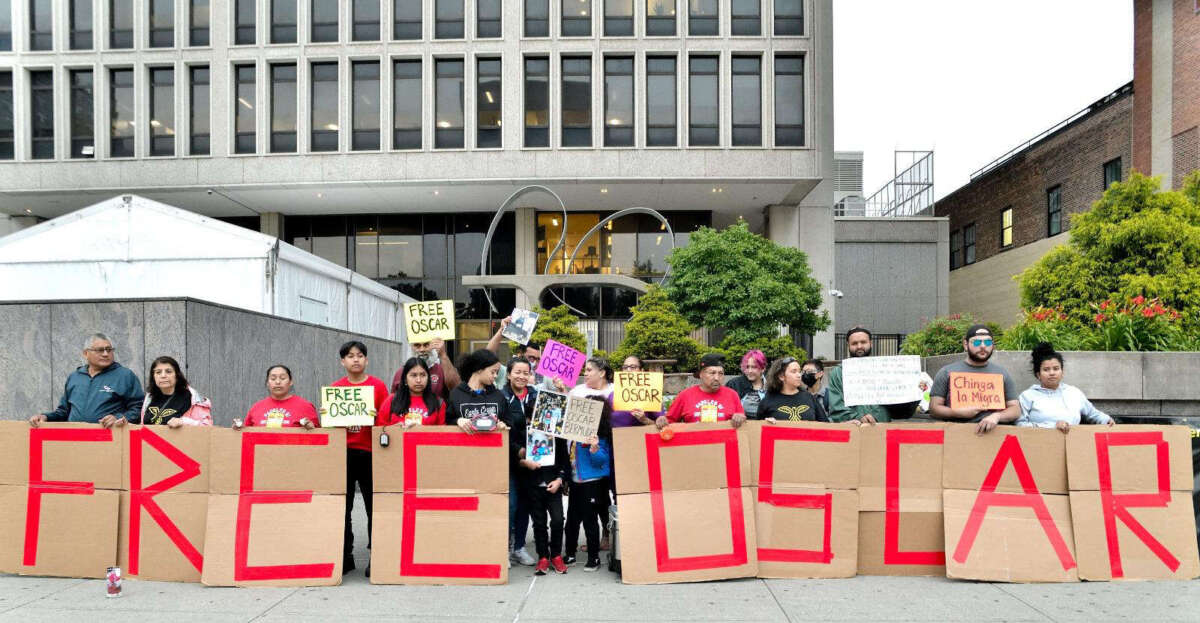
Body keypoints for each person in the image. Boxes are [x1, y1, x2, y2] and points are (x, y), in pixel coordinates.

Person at [327, 341, 388, 575]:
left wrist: (376, 417)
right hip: (344, 454)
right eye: (350, 356)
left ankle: (377, 555)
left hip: (372, 453)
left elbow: (386, 419)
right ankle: (346, 555)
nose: (355, 360)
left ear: (367, 360)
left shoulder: (378, 386)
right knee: (344, 506)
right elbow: (329, 426)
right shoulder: (335, 388)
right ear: (342, 361)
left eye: (360, 355)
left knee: (375, 507)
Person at [32, 333, 144, 428]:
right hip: (76, 441)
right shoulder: (75, 377)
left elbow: (139, 408)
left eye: (109, 350)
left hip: (109, 440)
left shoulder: (124, 375)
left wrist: (118, 418)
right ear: (86, 353)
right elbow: (63, 411)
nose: (106, 354)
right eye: (100, 350)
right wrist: (45, 417)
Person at [929, 324, 1020, 434]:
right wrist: (957, 413)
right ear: (966, 344)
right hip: (956, 434)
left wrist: (996, 416)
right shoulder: (946, 372)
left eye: (987, 342)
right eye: (977, 342)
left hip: (994, 434)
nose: (982, 346)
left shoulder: (1002, 374)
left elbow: (1015, 409)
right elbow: (934, 408)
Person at [563, 397, 613, 571]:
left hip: (593, 483)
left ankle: (594, 558)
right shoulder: (574, 432)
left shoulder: (602, 436)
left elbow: (603, 462)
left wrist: (595, 449)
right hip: (576, 482)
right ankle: (569, 554)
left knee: (590, 522)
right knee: (571, 521)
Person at [827, 327, 917, 423]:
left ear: (871, 343)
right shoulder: (838, 373)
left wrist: (914, 392)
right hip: (854, 430)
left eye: (863, 342)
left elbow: (901, 411)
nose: (859, 346)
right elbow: (837, 409)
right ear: (848, 345)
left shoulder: (886, 370)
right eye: (854, 343)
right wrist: (858, 417)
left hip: (882, 429)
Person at [1017, 342, 1114, 431]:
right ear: (1038, 375)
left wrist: (1106, 420)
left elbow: (1092, 413)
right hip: (1041, 445)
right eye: (1046, 370)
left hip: (1074, 445)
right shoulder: (1027, 396)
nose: (1052, 373)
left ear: (1062, 372)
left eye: (1056, 369)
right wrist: (1052, 426)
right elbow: (1019, 424)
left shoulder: (1074, 393)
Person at [502, 357, 538, 567]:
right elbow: (501, 431)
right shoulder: (501, 397)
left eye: (526, 373)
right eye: (517, 372)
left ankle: (519, 547)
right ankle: (504, 547)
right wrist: (518, 452)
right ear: (508, 374)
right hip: (510, 460)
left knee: (525, 504)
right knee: (511, 504)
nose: (522, 376)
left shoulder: (535, 395)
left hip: (534, 460)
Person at [522, 423, 570, 576]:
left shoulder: (558, 435)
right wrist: (524, 462)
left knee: (557, 520)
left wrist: (560, 480)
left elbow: (565, 462)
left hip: (553, 485)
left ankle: (556, 555)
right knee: (539, 523)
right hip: (533, 485)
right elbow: (515, 458)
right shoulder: (526, 434)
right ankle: (542, 556)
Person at [657, 353, 746, 429]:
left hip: (724, 446)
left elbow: (742, 423)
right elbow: (669, 421)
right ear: (701, 374)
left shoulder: (732, 395)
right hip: (694, 446)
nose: (717, 378)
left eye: (721, 373)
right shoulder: (685, 395)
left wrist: (740, 418)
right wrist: (662, 420)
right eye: (712, 373)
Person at [446, 349, 511, 433]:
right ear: (479, 369)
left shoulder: (498, 396)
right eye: (493, 372)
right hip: (466, 444)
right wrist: (458, 421)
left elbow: (509, 423)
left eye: (497, 372)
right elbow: (447, 421)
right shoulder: (456, 394)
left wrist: (503, 425)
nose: (495, 376)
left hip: (492, 444)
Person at [138, 356, 212, 426]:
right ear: (153, 377)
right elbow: (142, 426)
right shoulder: (150, 397)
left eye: (168, 371)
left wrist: (183, 422)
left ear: (177, 375)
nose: (163, 375)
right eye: (158, 372)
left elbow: (207, 426)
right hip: (151, 439)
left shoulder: (192, 398)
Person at [238, 365, 317, 429]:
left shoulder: (305, 406)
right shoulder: (256, 408)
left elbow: (320, 436)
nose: (278, 382)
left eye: (283, 378)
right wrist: (238, 429)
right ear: (267, 383)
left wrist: (311, 429)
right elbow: (245, 434)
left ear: (291, 382)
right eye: (273, 378)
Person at [378, 357, 447, 427]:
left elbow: (444, 434)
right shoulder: (391, 400)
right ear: (405, 379)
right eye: (414, 375)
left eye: (423, 375)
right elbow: (378, 431)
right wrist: (393, 429)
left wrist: (424, 430)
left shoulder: (438, 403)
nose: (419, 380)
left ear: (428, 378)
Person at [756, 357, 828, 422]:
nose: (799, 375)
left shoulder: (810, 398)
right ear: (781, 376)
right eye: (794, 371)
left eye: (799, 371)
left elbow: (825, 426)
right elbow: (756, 430)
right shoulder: (768, 400)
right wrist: (766, 422)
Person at [392, 337, 460, 401]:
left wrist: (443, 355)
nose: (422, 350)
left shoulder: (441, 369)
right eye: (417, 345)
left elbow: (457, 389)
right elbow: (394, 402)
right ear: (411, 347)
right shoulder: (401, 373)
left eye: (426, 345)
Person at [486, 316, 545, 389]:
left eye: (538, 359)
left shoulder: (543, 381)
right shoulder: (504, 372)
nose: (535, 363)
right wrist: (501, 331)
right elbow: (487, 356)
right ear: (520, 354)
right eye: (531, 358)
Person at [613, 355, 657, 427]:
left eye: (633, 367)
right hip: (615, 437)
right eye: (625, 367)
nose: (628, 370)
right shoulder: (613, 393)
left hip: (640, 436)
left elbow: (661, 426)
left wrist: (645, 420)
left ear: (642, 370)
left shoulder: (650, 394)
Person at [726, 350, 767, 419]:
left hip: (764, 426)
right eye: (747, 367)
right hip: (741, 427)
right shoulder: (734, 384)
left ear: (763, 369)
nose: (749, 371)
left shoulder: (771, 386)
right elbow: (726, 409)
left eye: (754, 367)